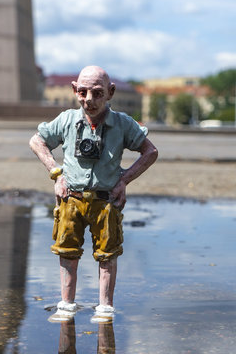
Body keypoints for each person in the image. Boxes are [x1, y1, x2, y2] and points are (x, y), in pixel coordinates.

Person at [30, 65, 159, 324]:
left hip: (106, 200)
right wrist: (56, 173)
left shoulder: (122, 124)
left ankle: (105, 307)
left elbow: (150, 151)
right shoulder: (67, 120)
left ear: (110, 92)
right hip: (72, 199)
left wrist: (124, 180)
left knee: (107, 254)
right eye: (83, 92)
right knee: (67, 251)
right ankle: (66, 304)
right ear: (75, 90)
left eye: (97, 93)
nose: (89, 99)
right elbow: (37, 141)